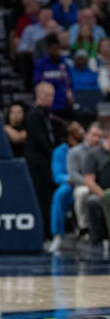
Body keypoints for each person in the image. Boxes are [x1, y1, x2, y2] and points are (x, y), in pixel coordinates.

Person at [47, 122, 85, 253]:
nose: (82, 131)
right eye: (78, 129)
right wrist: (70, 179)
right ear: (70, 136)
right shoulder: (59, 152)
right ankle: (57, 235)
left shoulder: (89, 147)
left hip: (89, 182)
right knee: (59, 195)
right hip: (70, 184)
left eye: (81, 128)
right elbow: (57, 175)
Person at [25, 82, 56, 240]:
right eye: (48, 95)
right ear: (39, 95)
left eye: (52, 95)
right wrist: (55, 156)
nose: (51, 98)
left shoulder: (45, 114)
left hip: (45, 164)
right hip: (37, 165)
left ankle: (48, 231)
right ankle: (43, 234)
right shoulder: (34, 115)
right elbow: (41, 141)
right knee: (41, 199)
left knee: (48, 199)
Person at [69, 123, 103, 241]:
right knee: (82, 193)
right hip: (82, 185)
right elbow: (73, 174)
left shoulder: (104, 150)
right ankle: (84, 227)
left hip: (101, 184)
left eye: (100, 136)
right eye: (94, 135)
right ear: (87, 135)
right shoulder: (75, 152)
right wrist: (91, 184)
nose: (97, 139)